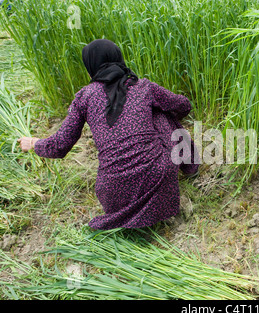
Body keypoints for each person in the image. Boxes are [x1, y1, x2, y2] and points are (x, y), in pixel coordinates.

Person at [18, 39, 198, 230]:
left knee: (157, 110)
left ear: (91, 67)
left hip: (112, 193)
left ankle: (125, 217)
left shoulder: (84, 97)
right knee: (161, 112)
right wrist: (163, 115)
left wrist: (34, 143)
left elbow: (60, 145)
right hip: (157, 178)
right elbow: (184, 105)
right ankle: (190, 167)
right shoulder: (144, 87)